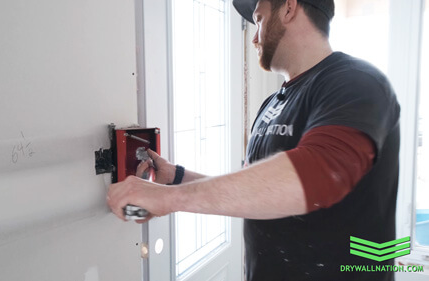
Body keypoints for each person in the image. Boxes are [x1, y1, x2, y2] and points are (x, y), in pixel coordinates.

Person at [107, 0, 400, 280]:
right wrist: (176, 177)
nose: (254, 38)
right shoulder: (273, 103)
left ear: (289, 7)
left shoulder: (356, 81)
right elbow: (257, 187)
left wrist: (169, 199)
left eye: (258, 20)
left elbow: (320, 173)